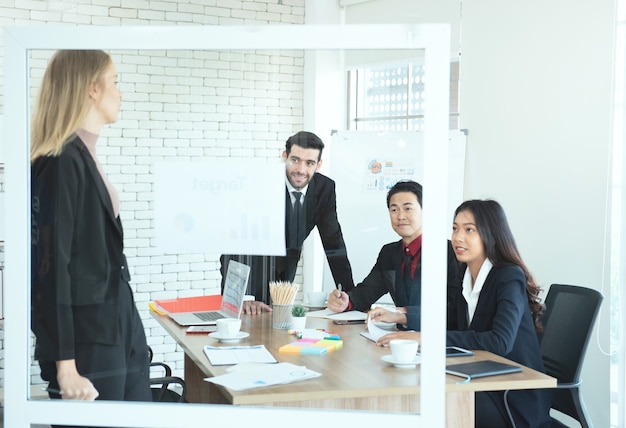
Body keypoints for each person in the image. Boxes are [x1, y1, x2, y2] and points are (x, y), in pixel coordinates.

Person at [30, 50, 151, 416]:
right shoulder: (59, 161)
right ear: (92, 89)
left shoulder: (85, 154)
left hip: (118, 325)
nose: (120, 91)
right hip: (87, 342)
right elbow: (50, 269)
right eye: (115, 81)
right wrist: (65, 364)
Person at [374, 199, 550, 428]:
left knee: (427, 405)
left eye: (469, 230)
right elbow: (448, 320)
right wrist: (403, 318)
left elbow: (500, 341)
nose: (457, 237)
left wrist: (426, 338)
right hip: (481, 379)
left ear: (491, 235)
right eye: (455, 228)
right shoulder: (465, 273)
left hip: (512, 397)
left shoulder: (508, 276)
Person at [221, 131, 355, 314]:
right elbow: (236, 241)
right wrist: (244, 297)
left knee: (277, 327)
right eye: (295, 160)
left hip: (284, 273)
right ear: (284, 157)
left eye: (309, 163)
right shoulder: (258, 184)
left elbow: (333, 241)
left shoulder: (325, 188)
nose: (301, 169)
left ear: (318, 165)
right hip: (249, 272)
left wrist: (349, 297)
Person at [327, 180, 460, 331]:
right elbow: (367, 292)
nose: (400, 216)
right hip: (400, 340)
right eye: (394, 210)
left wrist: (402, 315)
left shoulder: (449, 252)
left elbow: (453, 307)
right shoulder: (389, 253)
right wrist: (346, 301)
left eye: (408, 208)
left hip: (440, 340)